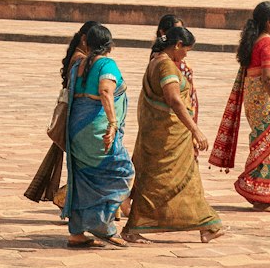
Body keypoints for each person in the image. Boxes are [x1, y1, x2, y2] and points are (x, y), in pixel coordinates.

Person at [124, 25, 223, 244]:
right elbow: (174, 99)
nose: (186, 54)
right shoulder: (166, 67)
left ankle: (207, 225)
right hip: (169, 136)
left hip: (160, 136)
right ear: (177, 45)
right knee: (170, 180)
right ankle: (209, 224)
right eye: (186, 49)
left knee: (160, 180)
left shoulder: (156, 61)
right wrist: (195, 129)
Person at [210, 0, 270, 209]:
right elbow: (268, 77)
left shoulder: (257, 41)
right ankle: (254, 189)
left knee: (264, 145)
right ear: (269, 22)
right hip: (267, 105)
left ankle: (260, 192)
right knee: (268, 147)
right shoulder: (267, 44)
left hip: (258, 104)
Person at [62, 22, 134, 247]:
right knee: (122, 172)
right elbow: (105, 91)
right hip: (97, 130)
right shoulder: (106, 65)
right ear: (109, 44)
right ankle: (102, 225)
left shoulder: (78, 65)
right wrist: (112, 124)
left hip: (76, 130)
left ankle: (77, 234)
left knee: (82, 178)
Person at [24, 21, 96, 208]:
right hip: (77, 115)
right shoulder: (80, 59)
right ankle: (67, 198)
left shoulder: (78, 56)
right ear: (84, 39)